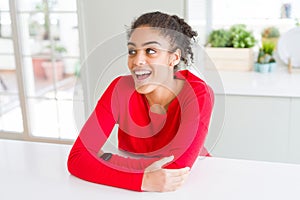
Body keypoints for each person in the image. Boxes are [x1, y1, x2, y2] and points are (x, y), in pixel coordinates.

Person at [67, 11, 214, 192]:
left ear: (173, 58)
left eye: (150, 51)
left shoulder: (197, 93)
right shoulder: (119, 89)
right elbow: (77, 158)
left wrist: (107, 159)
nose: (137, 60)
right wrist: (143, 180)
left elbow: (175, 169)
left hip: (189, 187)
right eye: (132, 51)